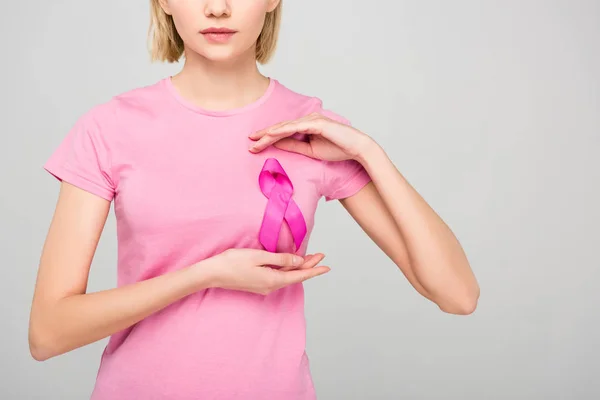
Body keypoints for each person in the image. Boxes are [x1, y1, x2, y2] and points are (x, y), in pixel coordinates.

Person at [28, 0, 480, 399]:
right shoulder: (109, 128)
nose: (218, 8)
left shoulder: (310, 129)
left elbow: (457, 295)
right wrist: (206, 274)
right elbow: (48, 333)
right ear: (163, 1)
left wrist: (370, 153)